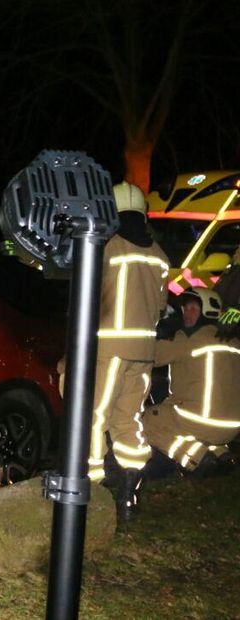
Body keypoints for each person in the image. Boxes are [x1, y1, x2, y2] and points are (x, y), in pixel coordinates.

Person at [86, 181, 170, 521]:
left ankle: (90, 489)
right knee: (128, 419)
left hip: (111, 344)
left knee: (94, 415)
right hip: (144, 351)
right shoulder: (160, 256)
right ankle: (130, 493)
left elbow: (92, 293)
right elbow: (162, 306)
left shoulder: (111, 246)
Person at [142, 287, 239, 478]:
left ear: (207, 311)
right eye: (186, 308)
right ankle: (222, 455)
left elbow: (147, 355)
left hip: (203, 422)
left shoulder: (188, 339)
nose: (187, 313)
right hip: (233, 426)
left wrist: (159, 333)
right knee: (188, 413)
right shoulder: (234, 341)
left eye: (194, 309)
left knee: (148, 420)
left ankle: (197, 458)